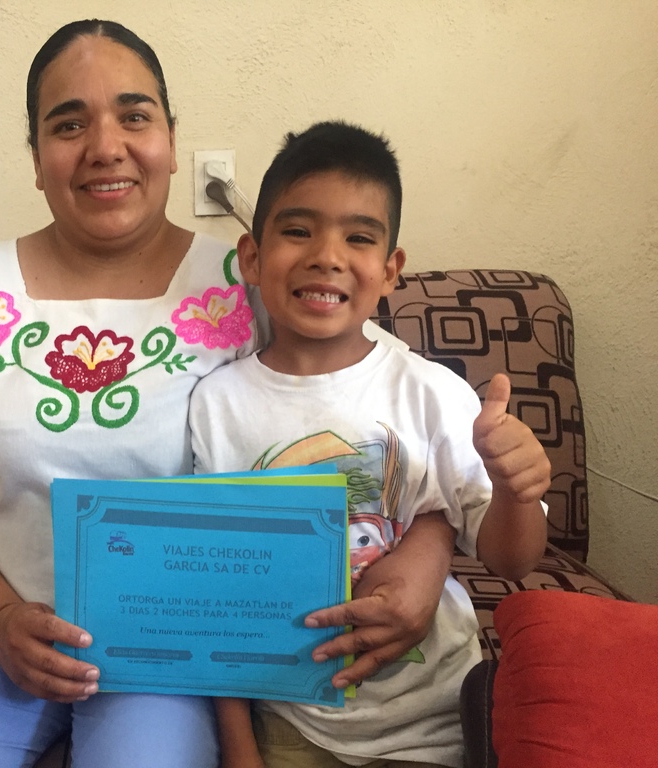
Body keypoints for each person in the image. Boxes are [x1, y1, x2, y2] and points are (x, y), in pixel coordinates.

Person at [0, 20, 461, 768]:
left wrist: (430, 556)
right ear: (37, 159)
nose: (105, 146)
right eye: (68, 123)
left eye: (133, 116)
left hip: (181, 634)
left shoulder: (257, 287)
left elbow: (394, 426)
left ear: (171, 143)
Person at [188, 121, 551, 768]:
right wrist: (238, 748)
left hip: (435, 721)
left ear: (389, 271)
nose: (327, 255)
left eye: (358, 237)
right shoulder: (214, 406)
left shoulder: (429, 392)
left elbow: (510, 560)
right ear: (251, 256)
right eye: (298, 230)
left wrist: (519, 490)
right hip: (291, 723)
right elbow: (210, 594)